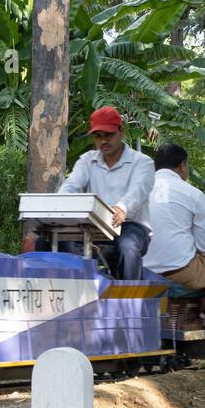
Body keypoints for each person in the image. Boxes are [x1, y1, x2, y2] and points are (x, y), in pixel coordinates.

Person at [142, 143, 205, 349]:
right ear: (182, 166)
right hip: (179, 271)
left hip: (141, 268)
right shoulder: (193, 194)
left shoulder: (140, 188)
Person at [57, 106, 155, 279]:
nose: (103, 141)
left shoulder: (142, 162)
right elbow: (70, 186)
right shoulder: (87, 160)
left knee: (128, 246)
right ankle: (79, 291)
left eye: (109, 135)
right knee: (47, 240)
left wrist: (122, 208)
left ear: (121, 132)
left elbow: (137, 191)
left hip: (131, 227)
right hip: (93, 228)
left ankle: (129, 300)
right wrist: (57, 206)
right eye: (98, 136)